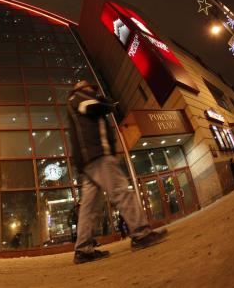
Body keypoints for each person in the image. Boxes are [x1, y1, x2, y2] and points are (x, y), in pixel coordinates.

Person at [67, 80, 167, 264]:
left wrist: (106, 103)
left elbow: (100, 106)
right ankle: (141, 234)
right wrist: (107, 102)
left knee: (89, 207)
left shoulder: (78, 99)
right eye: (89, 87)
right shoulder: (78, 97)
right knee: (121, 191)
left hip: (90, 158)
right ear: (81, 89)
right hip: (96, 154)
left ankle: (83, 250)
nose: (92, 89)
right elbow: (96, 105)